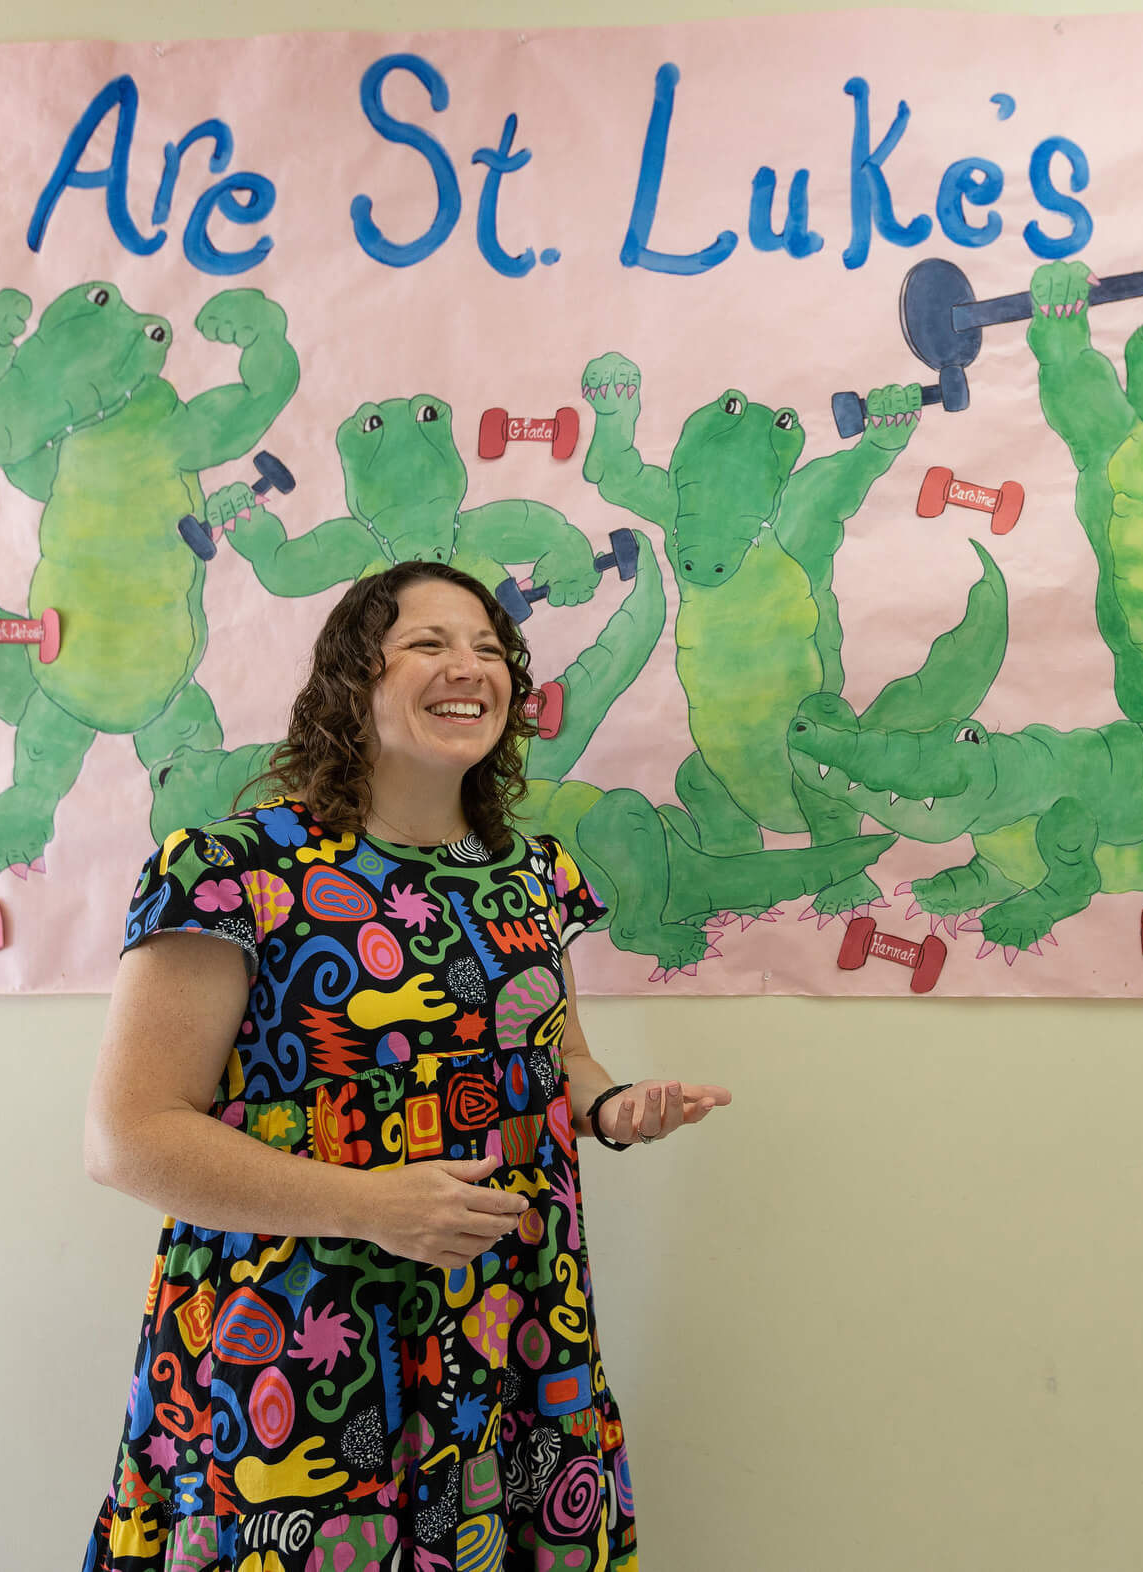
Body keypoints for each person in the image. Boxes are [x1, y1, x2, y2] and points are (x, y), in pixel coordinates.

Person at [81, 560, 729, 1571]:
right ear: (353, 680)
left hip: (515, 1327)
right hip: (301, 1345)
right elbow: (129, 1138)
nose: (467, 666)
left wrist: (612, 1107)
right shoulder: (228, 870)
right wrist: (370, 1205)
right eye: (428, 643)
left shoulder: (534, 874)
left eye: (488, 649)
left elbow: (558, 1056)